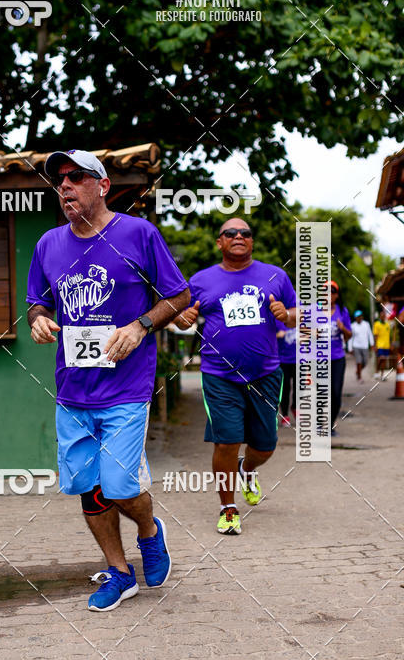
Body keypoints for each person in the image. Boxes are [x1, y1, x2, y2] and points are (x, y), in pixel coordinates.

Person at [26, 148, 190, 611]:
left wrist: (140, 326)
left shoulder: (138, 233)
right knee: (87, 486)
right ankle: (119, 572)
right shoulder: (48, 244)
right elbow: (38, 302)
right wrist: (38, 320)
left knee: (118, 485)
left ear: (102, 186)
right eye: (59, 179)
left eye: (76, 176)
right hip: (72, 390)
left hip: (126, 388)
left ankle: (149, 532)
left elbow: (178, 295)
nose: (64, 185)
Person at [176, 218, 297, 536]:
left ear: (252, 241)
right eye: (230, 233)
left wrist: (287, 315)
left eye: (245, 233)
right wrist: (183, 318)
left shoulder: (275, 275)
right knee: (227, 441)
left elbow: (297, 313)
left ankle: (247, 467)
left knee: (265, 446)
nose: (239, 236)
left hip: (265, 374)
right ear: (220, 242)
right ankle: (227, 508)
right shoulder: (201, 280)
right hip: (219, 375)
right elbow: (179, 315)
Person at [329, 281, 352, 434]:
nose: (328, 295)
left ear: (336, 295)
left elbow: (349, 336)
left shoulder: (342, 311)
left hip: (337, 358)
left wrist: (343, 328)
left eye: (331, 292)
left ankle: (330, 424)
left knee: (336, 393)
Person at [276, 321, 297, 426]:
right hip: (283, 360)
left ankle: (295, 407)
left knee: (300, 387)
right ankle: (285, 415)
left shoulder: (301, 319)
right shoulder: (278, 320)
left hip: (299, 360)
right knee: (285, 388)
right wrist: (277, 335)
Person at [350, 309, 374, 382]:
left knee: (365, 362)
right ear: (355, 318)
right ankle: (360, 377)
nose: (359, 318)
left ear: (362, 317)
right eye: (357, 317)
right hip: (356, 346)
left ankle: (358, 371)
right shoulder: (353, 326)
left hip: (365, 346)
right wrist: (350, 348)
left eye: (360, 316)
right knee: (359, 361)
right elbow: (351, 337)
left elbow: (370, 334)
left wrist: (372, 344)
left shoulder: (366, 324)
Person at [373, 309, 392, 380]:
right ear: (380, 316)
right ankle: (376, 371)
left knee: (384, 360)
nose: (383, 317)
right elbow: (375, 335)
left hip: (386, 345)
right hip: (380, 345)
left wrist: (391, 344)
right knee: (381, 358)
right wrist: (375, 345)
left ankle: (382, 375)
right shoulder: (377, 324)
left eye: (384, 316)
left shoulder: (387, 325)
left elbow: (389, 336)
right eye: (382, 315)